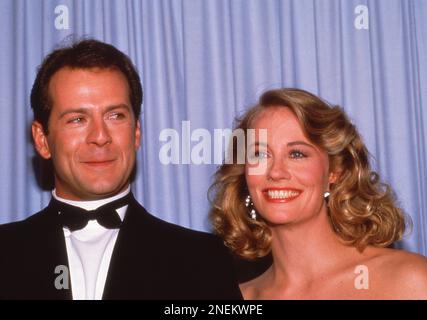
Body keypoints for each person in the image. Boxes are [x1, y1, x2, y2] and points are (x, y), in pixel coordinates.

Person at [0, 39, 242, 300]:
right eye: (77, 119)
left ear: (136, 132)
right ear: (42, 139)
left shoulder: (203, 261)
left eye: (115, 116)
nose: (100, 136)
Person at [209, 88, 427, 299]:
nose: (276, 172)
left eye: (296, 154)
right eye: (259, 154)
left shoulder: (408, 281)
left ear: (334, 171)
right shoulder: (238, 297)